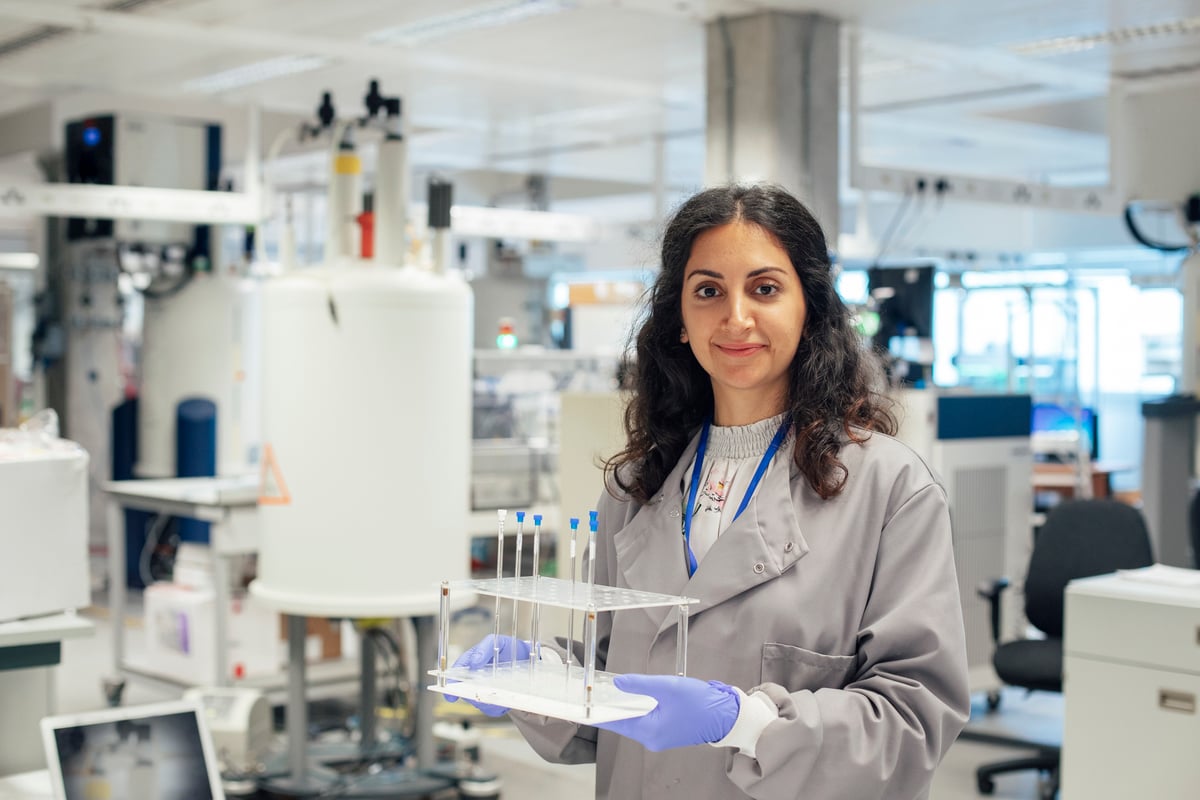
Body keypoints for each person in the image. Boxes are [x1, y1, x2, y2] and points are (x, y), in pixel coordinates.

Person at [451, 183, 969, 799]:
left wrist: (747, 723)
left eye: (766, 288)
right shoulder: (635, 488)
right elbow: (612, 691)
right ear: (679, 319)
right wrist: (537, 681)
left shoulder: (889, 489)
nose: (736, 317)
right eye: (708, 291)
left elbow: (915, 718)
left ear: (812, 309)